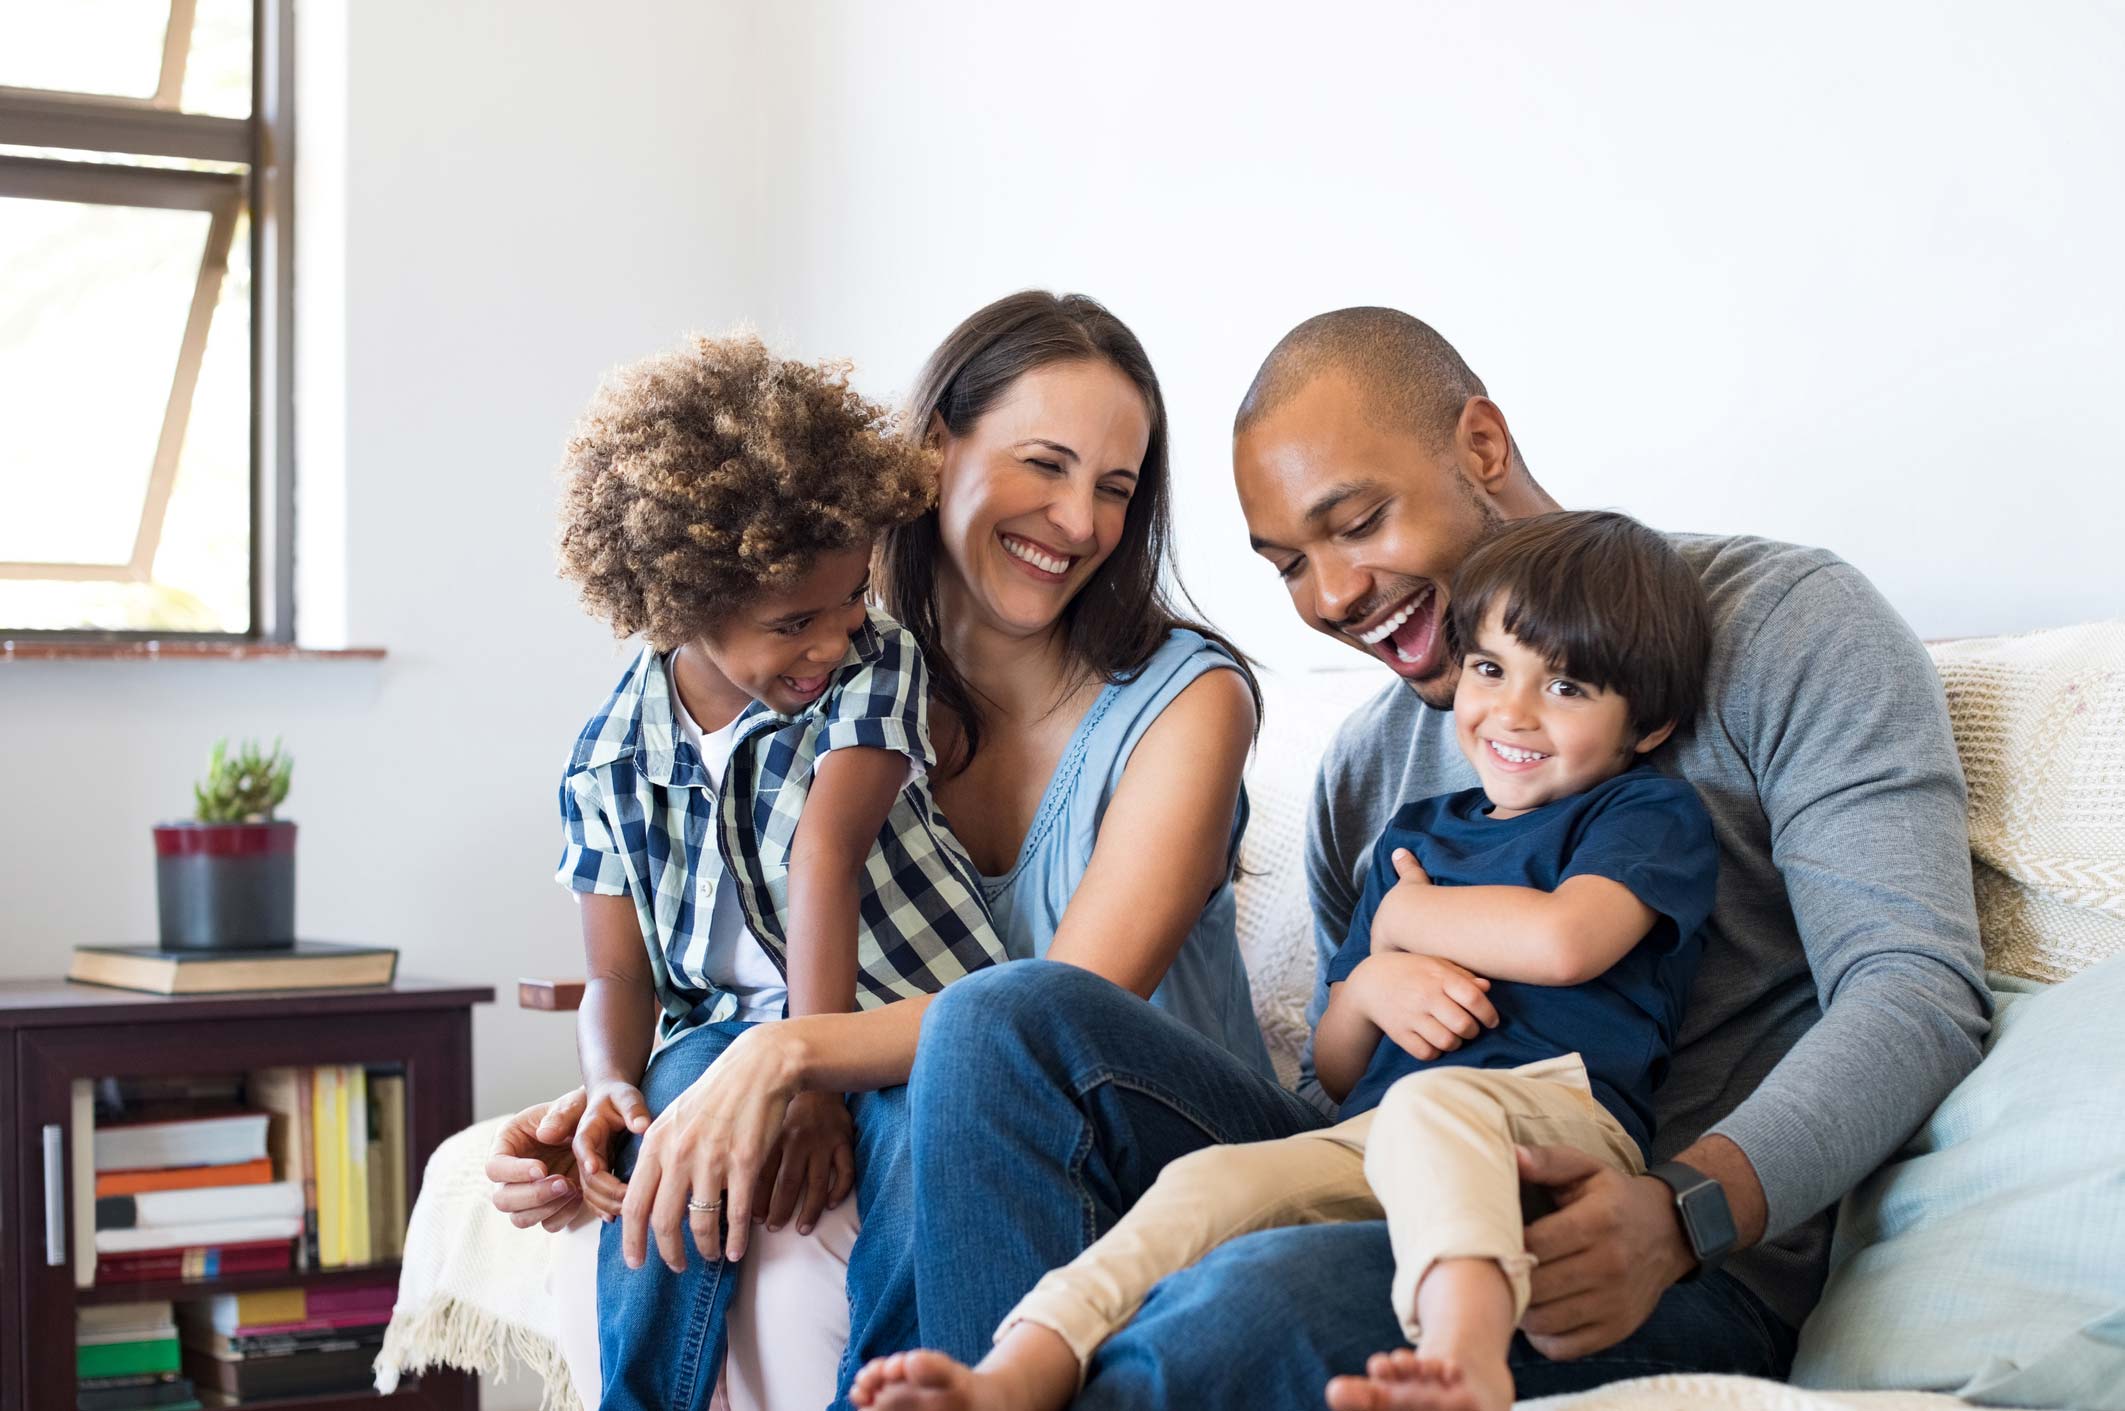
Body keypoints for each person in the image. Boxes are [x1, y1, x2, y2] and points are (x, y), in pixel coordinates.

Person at [897, 306, 1990, 1406]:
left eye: (1358, 522)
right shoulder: (1367, 766)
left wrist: (1684, 1210)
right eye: (1287, 565)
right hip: (1392, 1169)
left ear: (1479, 446)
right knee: (997, 1019)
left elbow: (1914, 990)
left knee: (1239, 1306)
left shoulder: (1786, 627)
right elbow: (1343, 1077)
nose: (1330, 598)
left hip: (1643, 1250)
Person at [485, 291, 1290, 1409]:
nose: (1078, 521)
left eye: (1114, 487)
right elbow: (710, 944)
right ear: (929, 453)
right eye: (1044, 466)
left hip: (1149, 1133)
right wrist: (621, 1100)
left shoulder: (1185, 704)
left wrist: (789, 1055)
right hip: (941, 1099)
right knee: (705, 1123)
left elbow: (1060, 1012)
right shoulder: (830, 681)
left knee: (960, 1066)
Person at [852, 510, 1719, 1411]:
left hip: (1555, 1126)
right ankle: (1018, 1369)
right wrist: (1374, 977)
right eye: (1490, 668)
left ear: (1647, 724)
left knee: (1434, 1102)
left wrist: (1407, 917)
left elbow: (1564, 940)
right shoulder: (1416, 833)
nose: (1511, 712)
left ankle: (1466, 1361)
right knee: (1209, 1181)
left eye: (1567, 687)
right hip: (1373, 1136)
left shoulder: (1641, 815)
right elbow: (1338, 1066)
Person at [547, 332, 1013, 1411]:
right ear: (679, 603)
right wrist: (611, 1083)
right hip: (721, 1033)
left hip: (907, 1013)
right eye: (792, 622)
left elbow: (824, 853)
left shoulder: (872, 663)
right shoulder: (608, 757)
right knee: (669, 1126)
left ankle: (892, 1393)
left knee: (917, 1147)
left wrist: (809, 1073)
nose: (831, 637)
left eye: (849, 596)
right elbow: (618, 976)